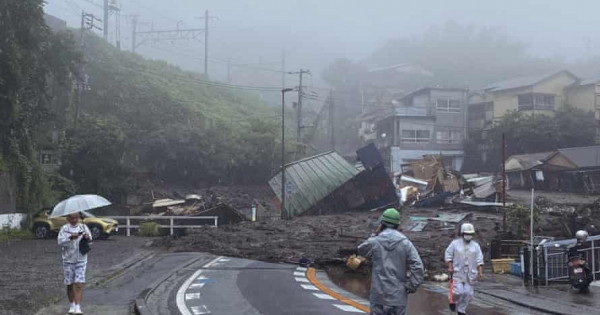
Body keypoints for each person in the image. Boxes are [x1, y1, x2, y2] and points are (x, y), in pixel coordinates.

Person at [358, 208, 424, 315]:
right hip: (397, 297)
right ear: (397, 225)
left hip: (378, 295)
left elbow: (361, 250)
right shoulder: (405, 243)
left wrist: (375, 234)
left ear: (382, 223)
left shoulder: (375, 241)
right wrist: (411, 286)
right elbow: (418, 266)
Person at [445, 223, 484, 315]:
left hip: (470, 274)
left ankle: (461, 310)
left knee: (468, 294)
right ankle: (452, 301)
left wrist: (480, 272)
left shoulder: (476, 246)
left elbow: (479, 259)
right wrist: (450, 266)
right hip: (458, 272)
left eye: (470, 234)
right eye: (467, 233)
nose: (468, 235)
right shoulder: (455, 244)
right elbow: (449, 255)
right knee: (458, 292)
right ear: (462, 233)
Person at [58, 213, 92, 315]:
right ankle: (72, 304)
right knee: (69, 283)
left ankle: (78, 307)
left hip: (81, 259)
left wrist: (87, 237)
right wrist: (70, 238)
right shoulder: (64, 229)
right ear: (67, 218)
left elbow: (90, 240)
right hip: (68, 260)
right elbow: (60, 242)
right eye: (72, 218)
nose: (74, 220)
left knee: (79, 283)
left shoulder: (83, 227)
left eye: (76, 217)